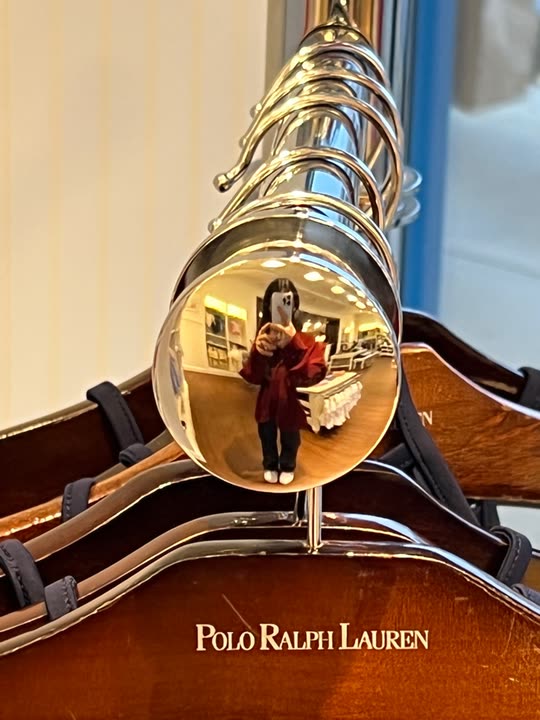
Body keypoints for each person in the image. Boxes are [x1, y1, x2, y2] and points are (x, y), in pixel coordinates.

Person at [240, 278, 327, 485]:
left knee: (291, 438)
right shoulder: (263, 338)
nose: (281, 308)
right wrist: (258, 353)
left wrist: (292, 344)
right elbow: (253, 377)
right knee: (266, 436)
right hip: (266, 400)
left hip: (289, 401)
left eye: (286, 302)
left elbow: (312, 375)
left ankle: (288, 465)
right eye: (276, 302)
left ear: (294, 306)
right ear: (268, 306)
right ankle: (270, 464)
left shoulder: (306, 341)